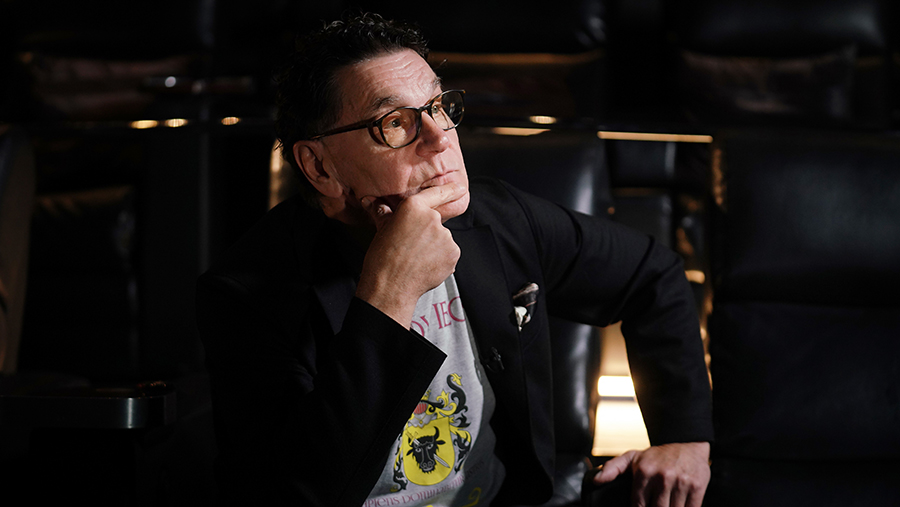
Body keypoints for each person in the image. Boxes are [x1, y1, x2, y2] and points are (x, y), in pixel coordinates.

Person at [196, 12, 713, 507]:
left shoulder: (499, 218)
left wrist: (685, 438)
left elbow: (653, 275)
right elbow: (303, 494)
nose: (440, 137)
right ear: (320, 167)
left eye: (438, 106)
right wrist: (388, 294)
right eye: (394, 123)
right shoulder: (245, 294)